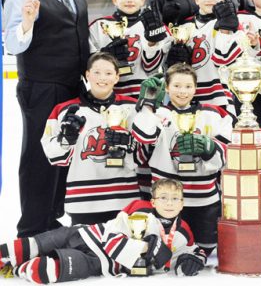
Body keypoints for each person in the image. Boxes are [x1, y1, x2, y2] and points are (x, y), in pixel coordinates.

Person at [1, 0, 90, 237]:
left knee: (64, 153)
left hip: (72, 84)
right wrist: (26, 22)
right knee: (39, 157)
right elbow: (13, 44)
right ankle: (32, 228)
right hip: (40, 86)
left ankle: (53, 219)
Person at [0, 179, 207, 282]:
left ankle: (18, 269)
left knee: (53, 268)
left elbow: (193, 251)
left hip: (105, 263)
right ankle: (5, 255)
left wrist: (193, 261)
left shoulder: (183, 232)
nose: (169, 203)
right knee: (47, 240)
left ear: (182, 204)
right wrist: (144, 247)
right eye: (163, 198)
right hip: (92, 235)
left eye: (175, 199)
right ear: (153, 201)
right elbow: (112, 236)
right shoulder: (139, 209)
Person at [132, 63, 232, 255]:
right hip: (167, 200)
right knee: (167, 249)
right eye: (176, 86)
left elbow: (227, 156)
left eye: (188, 86)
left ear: (196, 88)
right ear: (167, 88)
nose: (182, 91)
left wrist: (209, 148)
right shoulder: (159, 113)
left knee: (205, 249)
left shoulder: (214, 113)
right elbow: (143, 136)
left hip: (203, 199)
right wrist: (147, 103)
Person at [41, 53, 139, 225]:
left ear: (117, 77)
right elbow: (54, 158)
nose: (102, 78)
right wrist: (66, 139)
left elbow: (146, 153)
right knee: (84, 252)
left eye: (108, 73)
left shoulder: (132, 107)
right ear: (87, 75)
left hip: (124, 199)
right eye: (97, 72)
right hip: (83, 202)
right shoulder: (65, 110)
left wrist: (130, 144)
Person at [163, 0, 239, 117]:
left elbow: (225, 59)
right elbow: (168, 64)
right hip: (187, 93)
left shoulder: (232, 24)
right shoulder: (184, 26)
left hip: (219, 94)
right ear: (196, 0)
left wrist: (226, 31)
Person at [89, 0, 168, 99]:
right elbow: (88, 64)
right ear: (114, 0)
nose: (129, 0)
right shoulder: (98, 26)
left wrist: (152, 43)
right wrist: (105, 55)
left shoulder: (155, 26)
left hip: (143, 93)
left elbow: (152, 68)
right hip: (108, 93)